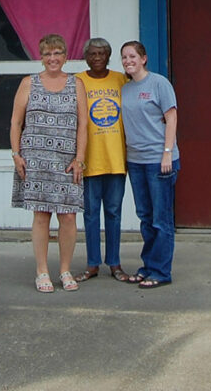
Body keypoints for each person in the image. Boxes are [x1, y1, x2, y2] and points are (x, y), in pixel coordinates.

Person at [10, 33, 88, 293]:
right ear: (41, 57)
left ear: (65, 56)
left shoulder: (76, 84)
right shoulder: (28, 83)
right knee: (41, 216)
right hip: (35, 161)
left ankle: (65, 270)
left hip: (67, 162)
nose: (52, 58)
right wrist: (16, 154)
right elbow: (16, 123)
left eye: (57, 53)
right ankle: (41, 271)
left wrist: (80, 159)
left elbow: (83, 125)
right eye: (47, 54)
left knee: (68, 217)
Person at [120, 40, 179, 289]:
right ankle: (148, 266)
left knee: (161, 219)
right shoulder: (125, 89)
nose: (128, 61)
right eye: (124, 57)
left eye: (132, 56)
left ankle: (161, 271)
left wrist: (167, 152)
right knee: (145, 217)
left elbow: (172, 117)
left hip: (159, 161)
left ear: (143, 59)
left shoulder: (158, 83)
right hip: (136, 161)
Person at [74, 37, 130, 282]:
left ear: (108, 56)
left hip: (116, 158)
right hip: (89, 159)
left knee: (114, 212)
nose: (97, 58)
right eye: (92, 54)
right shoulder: (77, 80)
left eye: (102, 54)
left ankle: (115, 263)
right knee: (90, 213)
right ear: (86, 57)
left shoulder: (121, 79)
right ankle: (92, 263)